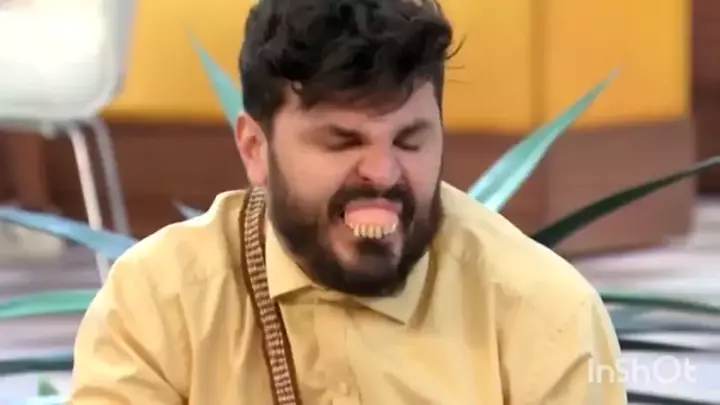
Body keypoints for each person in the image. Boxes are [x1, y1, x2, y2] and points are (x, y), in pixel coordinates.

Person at [70, 0, 627, 403]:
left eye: (410, 141)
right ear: (255, 148)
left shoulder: (544, 312)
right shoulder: (159, 300)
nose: (383, 174)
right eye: (341, 142)